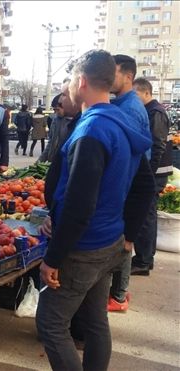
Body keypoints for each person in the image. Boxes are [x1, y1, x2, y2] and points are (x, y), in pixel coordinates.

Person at [36, 50, 153, 371]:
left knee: (50, 324)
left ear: (81, 81)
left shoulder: (92, 132)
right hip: (110, 241)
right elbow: (144, 185)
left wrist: (53, 258)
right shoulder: (119, 121)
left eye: (71, 80)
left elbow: (79, 206)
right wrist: (127, 235)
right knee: (95, 319)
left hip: (84, 248)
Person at [108, 54, 152, 312]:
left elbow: (133, 155)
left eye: (112, 72)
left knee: (123, 241)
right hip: (128, 182)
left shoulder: (130, 109)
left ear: (128, 76)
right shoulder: (124, 104)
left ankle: (119, 296)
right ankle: (120, 292)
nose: (107, 77)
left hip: (129, 184)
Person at [131, 77, 174, 276]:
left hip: (154, 174)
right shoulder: (149, 111)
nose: (134, 98)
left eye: (136, 94)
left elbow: (157, 145)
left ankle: (143, 260)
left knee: (146, 216)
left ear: (146, 93)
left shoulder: (155, 113)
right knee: (148, 215)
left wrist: (146, 174)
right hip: (153, 172)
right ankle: (145, 257)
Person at [39, 91, 74, 163]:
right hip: (52, 160)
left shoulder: (73, 121)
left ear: (65, 107)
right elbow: (51, 142)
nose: (56, 112)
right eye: (54, 110)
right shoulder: (55, 120)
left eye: (58, 109)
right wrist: (40, 160)